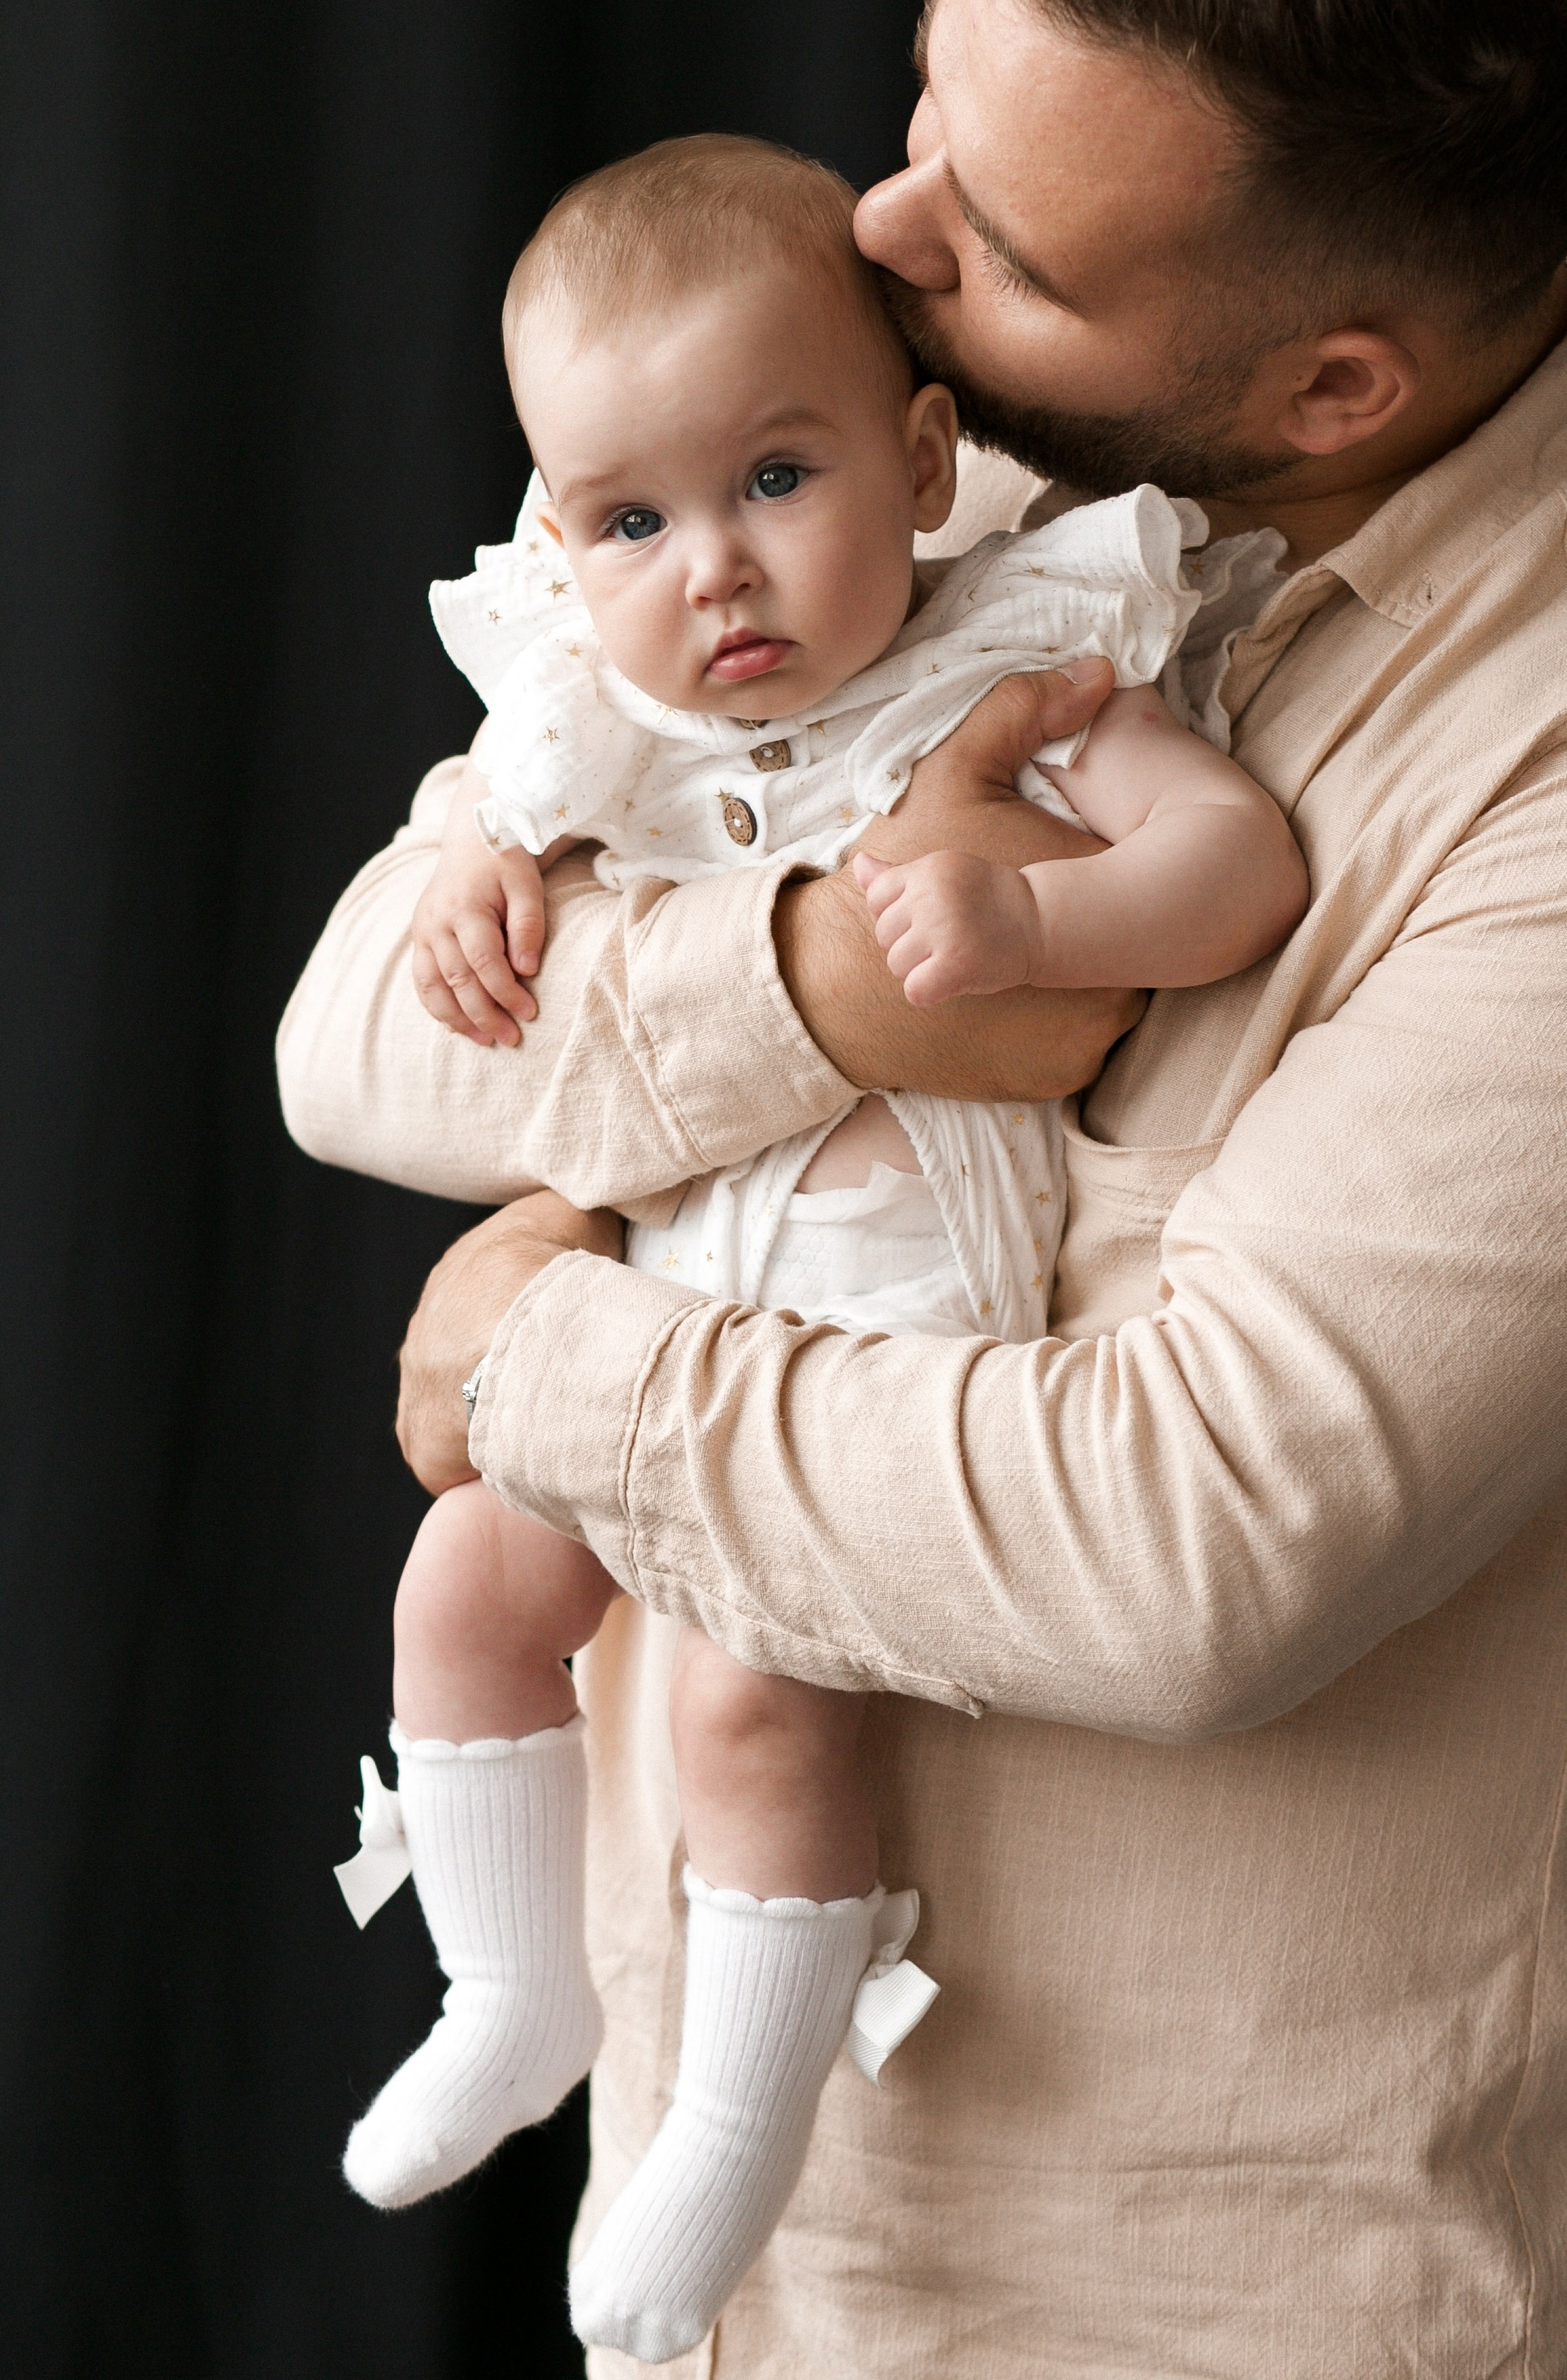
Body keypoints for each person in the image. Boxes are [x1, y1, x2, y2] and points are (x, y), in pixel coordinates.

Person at [279, 0, 1567, 2378]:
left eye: (1007, 246)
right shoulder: (888, 496)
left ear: (1333, 395)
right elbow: (361, 1040)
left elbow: (1196, 1545)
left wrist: (540, 1359)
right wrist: (814, 976)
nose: (886, 231)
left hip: (1221, 2305)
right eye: (928, 103)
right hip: (736, 2278)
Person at [333, 132, 1304, 2365]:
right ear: (563, 539)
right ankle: (511, 1991)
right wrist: (478, 866)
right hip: (656, 1288)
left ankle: (735, 2122)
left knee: (757, 1704)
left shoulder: (1026, 664)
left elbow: (1237, 866)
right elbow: (413, 924)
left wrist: (1034, 910)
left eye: (778, 476)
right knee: (467, 1585)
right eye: (632, 523)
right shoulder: (601, 709)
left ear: (923, 450)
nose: (717, 575)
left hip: (888, 1332)